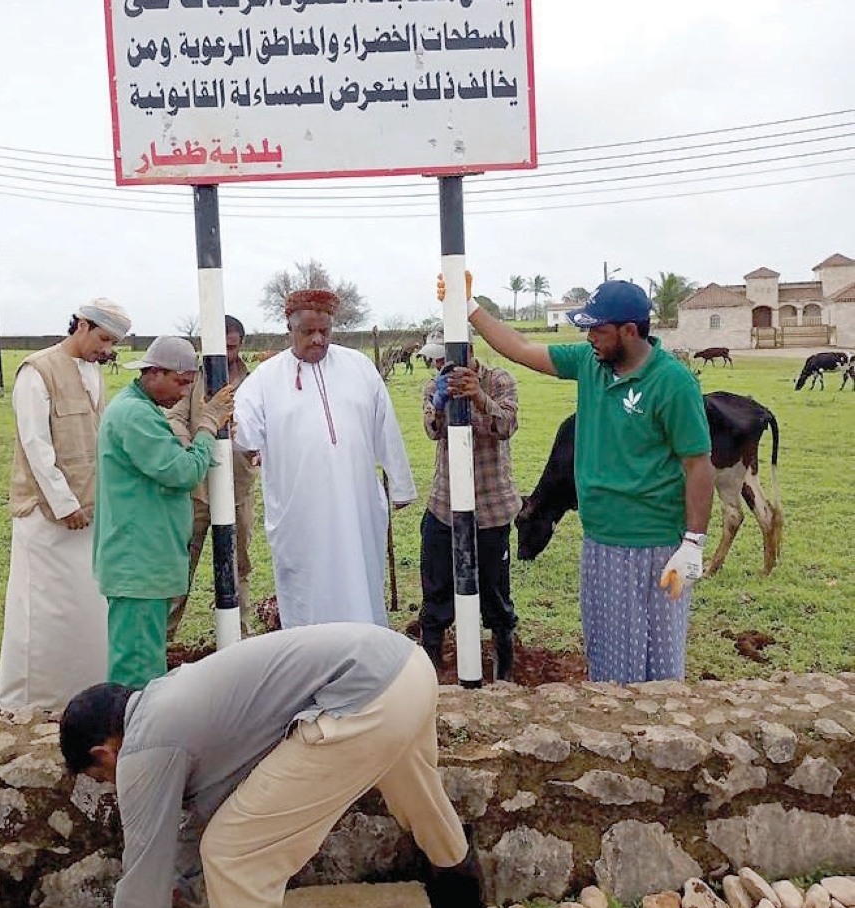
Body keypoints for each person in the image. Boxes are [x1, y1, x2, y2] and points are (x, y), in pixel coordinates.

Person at [59, 622, 485, 908]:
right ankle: (463, 894)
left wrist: (165, 891)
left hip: (362, 696)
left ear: (103, 753)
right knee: (419, 799)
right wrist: (183, 886)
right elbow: (192, 824)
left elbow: (142, 878)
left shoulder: (143, 747)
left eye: (102, 778)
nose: (114, 785)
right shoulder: (167, 701)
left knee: (233, 855)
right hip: (405, 665)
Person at [439, 274, 714, 685]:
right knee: (609, 660)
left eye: (597, 330)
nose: (588, 338)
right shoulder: (590, 365)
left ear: (629, 330)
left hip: (656, 545)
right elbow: (522, 348)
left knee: (659, 664)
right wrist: (469, 305)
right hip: (601, 543)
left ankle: (660, 739)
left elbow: (698, 464)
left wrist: (693, 544)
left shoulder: (672, 383)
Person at [233, 289, 416, 628]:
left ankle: (366, 650)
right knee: (307, 586)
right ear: (290, 330)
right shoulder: (265, 379)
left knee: (361, 577)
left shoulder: (359, 367)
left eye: (325, 332)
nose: (318, 339)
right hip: (299, 509)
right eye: (308, 332)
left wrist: (401, 485)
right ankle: (312, 660)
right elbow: (242, 434)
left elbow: (385, 427)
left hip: (357, 502)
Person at [0, 298, 131, 712]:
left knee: (85, 607)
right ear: (82, 325)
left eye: (113, 343)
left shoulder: (93, 372)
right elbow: (36, 446)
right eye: (103, 338)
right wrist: (64, 503)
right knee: (42, 610)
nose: (106, 349)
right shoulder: (36, 372)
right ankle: (29, 703)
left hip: (90, 510)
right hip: (46, 514)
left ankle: (83, 694)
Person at [93, 336, 234, 690]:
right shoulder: (135, 415)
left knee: (145, 660)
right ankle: (129, 736)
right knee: (137, 672)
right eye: (181, 382)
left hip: (143, 559)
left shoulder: (140, 410)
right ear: (154, 373)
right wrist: (207, 425)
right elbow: (183, 472)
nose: (186, 392)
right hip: (138, 561)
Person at [418, 327, 521, 680]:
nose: (437, 364)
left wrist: (478, 398)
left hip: (491, 508)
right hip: (444, 506)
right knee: (437, 589)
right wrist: (440, 404)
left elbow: (506, 425)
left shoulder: (499, 381)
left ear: (467, 352)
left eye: (443, 358)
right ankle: (431, 663)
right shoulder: (435, 385)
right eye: (434, 359)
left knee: (495, 592)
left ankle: (503, 668)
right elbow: (432, 430)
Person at [166, 315, 258, 638]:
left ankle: (240, 635)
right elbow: (175, 416)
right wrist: (193, 443)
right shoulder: (191, 379)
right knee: (181, 567)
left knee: (238, 566)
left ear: (240, 344)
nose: (227, 354)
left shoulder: (255, 380)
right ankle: (164, 637)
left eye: (232, 347)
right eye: (221, 347)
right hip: (198, 490)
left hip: (239, 487)